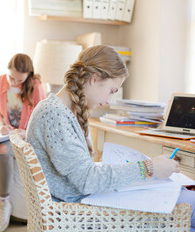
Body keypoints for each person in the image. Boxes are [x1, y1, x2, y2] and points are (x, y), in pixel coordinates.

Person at [26, 45, 195, 231]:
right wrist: (149, 167)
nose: (109, 101)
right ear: (94, 79)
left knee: (182, 200)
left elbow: (82, 172)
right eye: (112, 91)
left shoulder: (61, 111)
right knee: (190, 208)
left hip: (81, 201)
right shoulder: (54, 115)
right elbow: (88, 180)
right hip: (77, 212)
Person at [0, 53, 46, 232]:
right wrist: (2, 126)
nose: (14, 82)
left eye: (19, 80)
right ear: (8, 70)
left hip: (23, 136)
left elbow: (41, 118)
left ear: (28, 75)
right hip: (5, 132)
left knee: (3, 151)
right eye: (12, 77)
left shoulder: (36, 86)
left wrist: (24, 131)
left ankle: (3, 204)